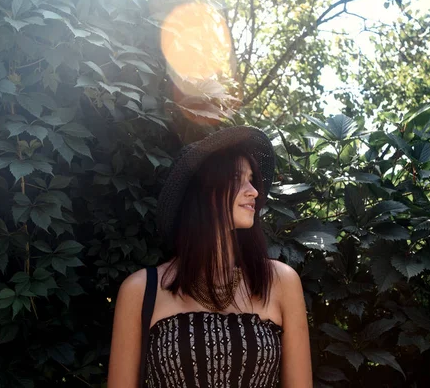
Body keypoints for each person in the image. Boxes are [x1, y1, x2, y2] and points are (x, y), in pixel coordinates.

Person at [107, 126, 312, 387]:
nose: (254, 191)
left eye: (252, 180)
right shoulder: (141, 290)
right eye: (238, 178)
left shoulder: (280, 281)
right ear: (204, 190)